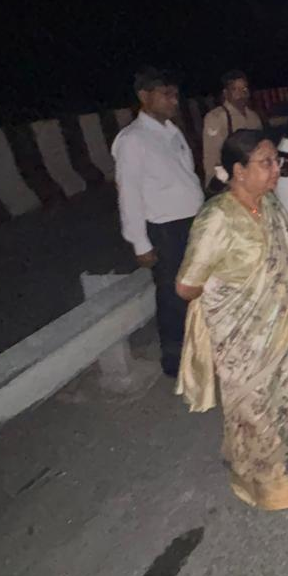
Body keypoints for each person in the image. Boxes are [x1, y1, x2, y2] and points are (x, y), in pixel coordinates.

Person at [174, 129, 288, 510]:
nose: (276, 169)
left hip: (284, 329)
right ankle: (269, 488)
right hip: (241, 339)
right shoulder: (217, 218)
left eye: (277, 161)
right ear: (239, 171)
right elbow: (186, 286)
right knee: (258, 411)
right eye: (266, 163)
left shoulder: (271, 204)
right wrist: (235, 295)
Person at [112, 67, 204, 379]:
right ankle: (175, 360)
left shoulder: (171, 132)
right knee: (173, 295)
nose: (173, 101)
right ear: (144, 96)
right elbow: (129, 194)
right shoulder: (133, 140)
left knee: (198, 288)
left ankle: (200, 349)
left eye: (175, 94)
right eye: (166, 94)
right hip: (165, 229)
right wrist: (140, 242)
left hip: (190, 222)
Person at [202, 70, 264, 190]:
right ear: (226, 93)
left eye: (244, 89)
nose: (242, 94)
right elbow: (212, 156)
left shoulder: (253, 117)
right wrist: (216, 185)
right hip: (231, 183)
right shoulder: (216, 117)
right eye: (235, 89)